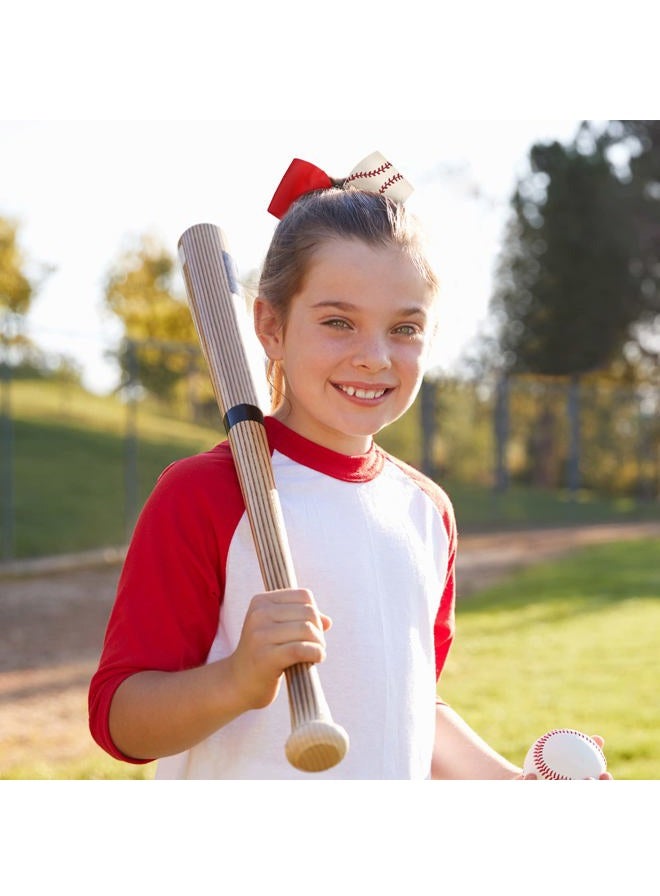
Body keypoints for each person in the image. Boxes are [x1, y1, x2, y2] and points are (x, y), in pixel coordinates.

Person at [88, 152, 612, 780]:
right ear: (270, 326)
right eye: (338, 322)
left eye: (404, 328)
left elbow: (410, 705)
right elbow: (120, 719)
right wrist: (237, 679)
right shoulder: (204, 493)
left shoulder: (426, 510)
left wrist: (513, 788)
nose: (373, 357)